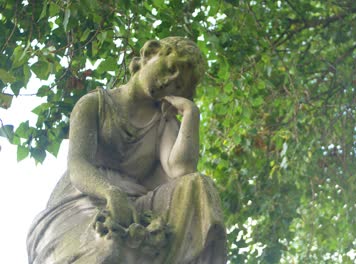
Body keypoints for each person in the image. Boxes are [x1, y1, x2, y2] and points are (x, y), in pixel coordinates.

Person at [27, 37, 227, 264]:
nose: (170, 82)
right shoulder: (94, 104)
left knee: (199, 185)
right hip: (84, 199)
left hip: (136, 207)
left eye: (179, 85)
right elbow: (78, 165)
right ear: (151, 52)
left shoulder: (163, 120)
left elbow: (182, 170)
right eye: (171, 68)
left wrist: (191, 113)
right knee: (110, 248)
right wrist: (111, 192)